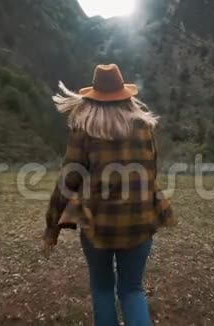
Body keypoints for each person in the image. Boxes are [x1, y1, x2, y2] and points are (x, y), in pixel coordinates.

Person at [43, 64, 176, 326]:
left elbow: (68, 181)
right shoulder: (144, 126)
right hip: (139, 222)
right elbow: (151, 170)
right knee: (132, 290)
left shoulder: (84, 129)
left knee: (102, 289)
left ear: (93, 97)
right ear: (125, 95)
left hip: (97, 226)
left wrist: (51, 229)